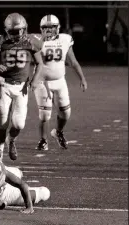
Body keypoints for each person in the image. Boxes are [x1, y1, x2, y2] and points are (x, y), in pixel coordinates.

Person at [0, 13, 44, 161]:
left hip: (22, 87)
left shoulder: (32, 41)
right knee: (2, 123)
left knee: (19, 124)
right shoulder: (0, 42)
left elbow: (40, 64)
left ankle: (11, 140)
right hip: (4, 85)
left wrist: (35, 80)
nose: (16, 34)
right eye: (12, 31)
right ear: (6, 30)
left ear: (24, 29)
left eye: (19, 30)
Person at [34, 14, 87, 151]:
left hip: (60, 81)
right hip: (42, 81)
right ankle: (43, 140)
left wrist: (82, 78)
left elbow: (73, 61)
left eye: (52, 28)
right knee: (45, 114)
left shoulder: (65, 39)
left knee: (66, 113)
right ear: (41, 29)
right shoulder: (36, 41)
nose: (49, 31)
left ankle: (58, 132)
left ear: (58, 28)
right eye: (45, 28)